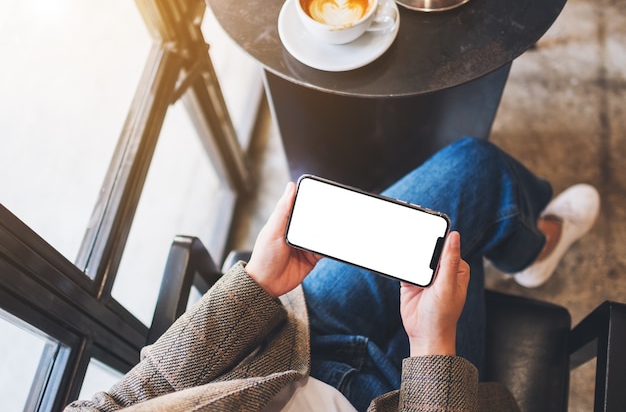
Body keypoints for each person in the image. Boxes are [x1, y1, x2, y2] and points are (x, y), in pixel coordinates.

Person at [65, 137, 600, 412]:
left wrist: (255, 286)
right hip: (391, 398)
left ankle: (530, 251)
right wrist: (433, 348)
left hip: (286, 351)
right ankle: (530, 245)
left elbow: (140, 393)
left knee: (474, 173)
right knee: (458, 255)